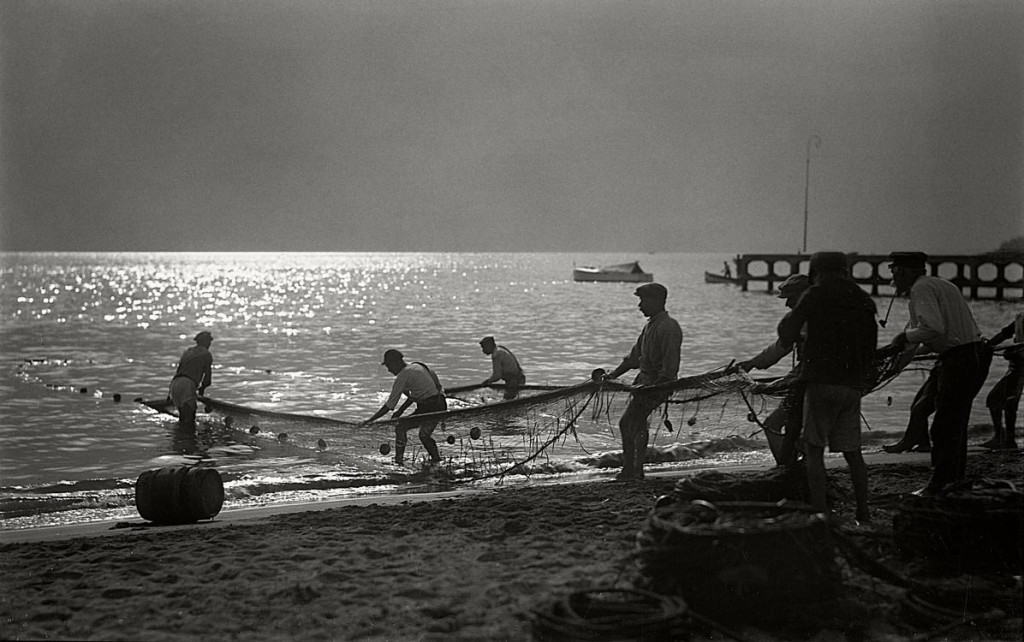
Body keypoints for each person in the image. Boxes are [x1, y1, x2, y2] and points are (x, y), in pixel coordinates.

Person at [880, 251, 992, 495]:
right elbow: (935, 335)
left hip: (961, 359)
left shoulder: (921, 289)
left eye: (894, 274)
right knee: (955, 423)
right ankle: (954, 480)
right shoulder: (940, 284)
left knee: (945, 426)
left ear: (902, 271)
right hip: (969, 355)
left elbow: (931, 327)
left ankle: (940, 483)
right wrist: (896, 360)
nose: (894, 283)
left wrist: (902, 338)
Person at [778, 252, 877, 522]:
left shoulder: (815, 294)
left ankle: (819, 512)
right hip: (852, 385)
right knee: (853, 452)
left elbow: (788, 332)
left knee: (814, 449)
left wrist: (788, 324)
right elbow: (871, 349)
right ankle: (863, 512)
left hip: (820, 382)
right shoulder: (863, 299)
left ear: (816, 271)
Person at [603, 283, 683, 481]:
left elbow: (670, 366)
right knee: (638, 425)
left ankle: (630, 470)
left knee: (627, 423)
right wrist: (612, 375)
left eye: (643, 300)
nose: (640, 306)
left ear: (657, 301)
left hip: (657, 386)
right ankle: (636, 470)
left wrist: (655, 387)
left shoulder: (668, 327)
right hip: (644, 383)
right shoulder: (650, 326)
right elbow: (633, 358)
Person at [734, 273, 809, 467]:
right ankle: (792, 467)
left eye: (790, 299)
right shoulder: (814, 319)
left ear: (803, 295)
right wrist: (753, 363)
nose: (787, 305)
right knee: (802, 434)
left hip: (811, 387)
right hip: (813, 385)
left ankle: (787, 469)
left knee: (773, 425)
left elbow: (805, 364)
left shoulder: (807, 322)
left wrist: (770, 387)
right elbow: (779, 348)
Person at [363, 349, 447, 466]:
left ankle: (399, 461)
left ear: (396, 362)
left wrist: (370, 420)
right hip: (440, 404)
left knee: (401, 428)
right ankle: (437, 460)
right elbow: (416, 395)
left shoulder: (402, 376)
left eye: (389, 366)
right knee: (424, 435)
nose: (388, 370)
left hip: (429, 407)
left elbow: (389, 405)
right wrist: (400, 411)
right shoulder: (417, 366)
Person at [982, 311, 1024, 450]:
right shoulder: (1021, 316)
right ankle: (1007, 439)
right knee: (1008, 403)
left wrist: (1012, 352)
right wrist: (989, 345)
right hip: (1015, 367)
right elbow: (1006, 333)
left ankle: (1003, 438)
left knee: (995, 399)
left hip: (1020, 369)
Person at [169, 331, 214, 433]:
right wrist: (202, 390)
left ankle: (180, 442)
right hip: (187, 384)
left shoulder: (188, 351)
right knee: (189, 420)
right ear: (206, 342)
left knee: (182, 418)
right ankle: (188, 444)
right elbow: (207, 379)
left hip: (175, 384)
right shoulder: (206, 354)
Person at [881, 375, 935, 453]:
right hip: (936, 373)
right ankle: (923, 443)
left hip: (945, 373)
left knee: (918, 410)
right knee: (916, 408)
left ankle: (908, 443)